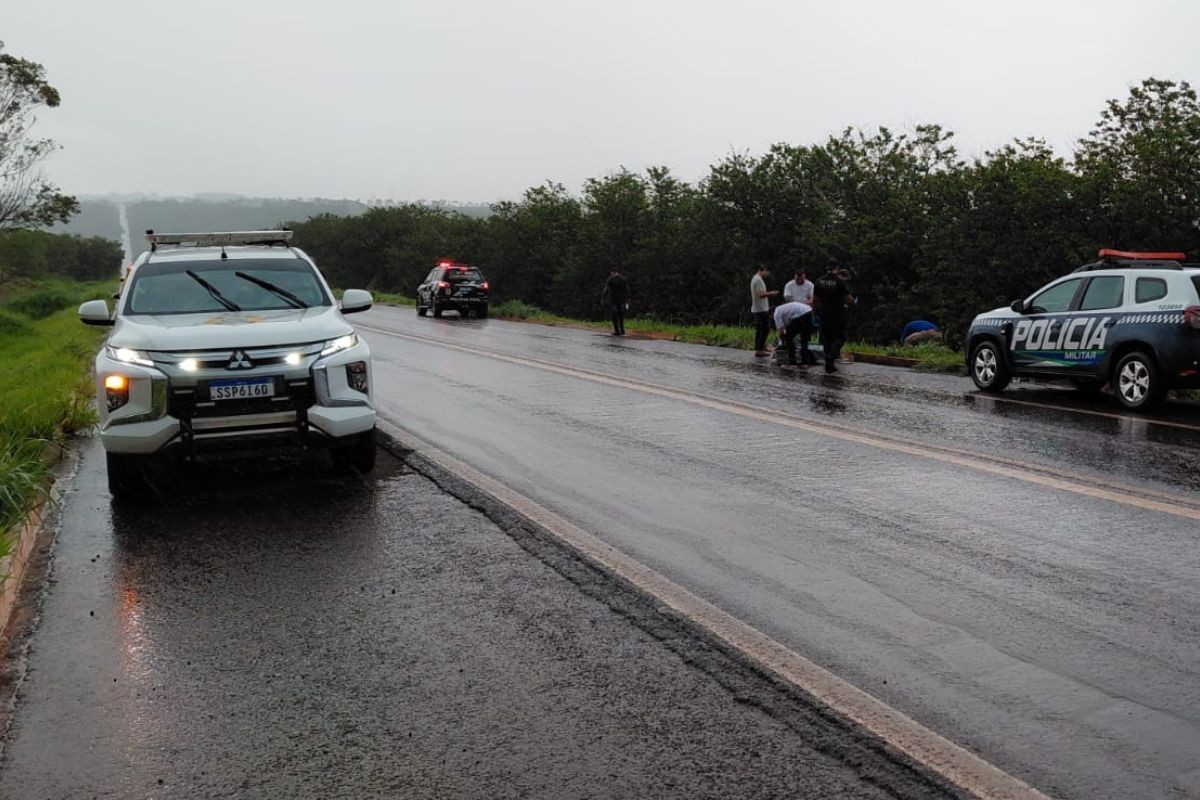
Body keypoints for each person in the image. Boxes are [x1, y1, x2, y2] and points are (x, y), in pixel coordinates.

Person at [813, 265, 854, 373]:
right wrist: (853, 301)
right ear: (836, 268)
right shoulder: (839, 281)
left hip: (824, 314)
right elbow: (848, 298)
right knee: (841, 337)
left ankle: (829, 364)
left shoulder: (819, 280)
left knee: (827, 338)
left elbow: (815, 298)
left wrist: (816, 311)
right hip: (838, 314)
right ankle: (831, 356)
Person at [772, 300, 816, 367]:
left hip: (800, 315)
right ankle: (804, 361)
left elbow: (781, 331)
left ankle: (792, 360)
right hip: (808, 311)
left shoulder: (776, 313)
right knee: (804, 338)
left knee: (788, 338)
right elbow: (788, 326)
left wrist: (783, 341)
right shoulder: (784, 309)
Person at [750, 264, 779, 357]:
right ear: (763, 270)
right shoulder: (758, 280)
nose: (767, 275)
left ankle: (759, 347)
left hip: (758, 308)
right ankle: (759, 349)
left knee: (760, 329)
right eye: (767, 272)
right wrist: (771, 293)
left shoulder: (755, 278)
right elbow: (760, 294)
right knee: (765, 329)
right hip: (761, 309)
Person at [601, 268, 629, 335]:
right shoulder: (623, 279)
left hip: (613, 300)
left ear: (612, 272)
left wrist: (603, 297)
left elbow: (606, 289)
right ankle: (622, 330)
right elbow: (627, 289)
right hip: (622, 300)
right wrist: (627, 299)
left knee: (614, 314)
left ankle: (617, 331)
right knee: (621, 314)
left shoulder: (610, 279)